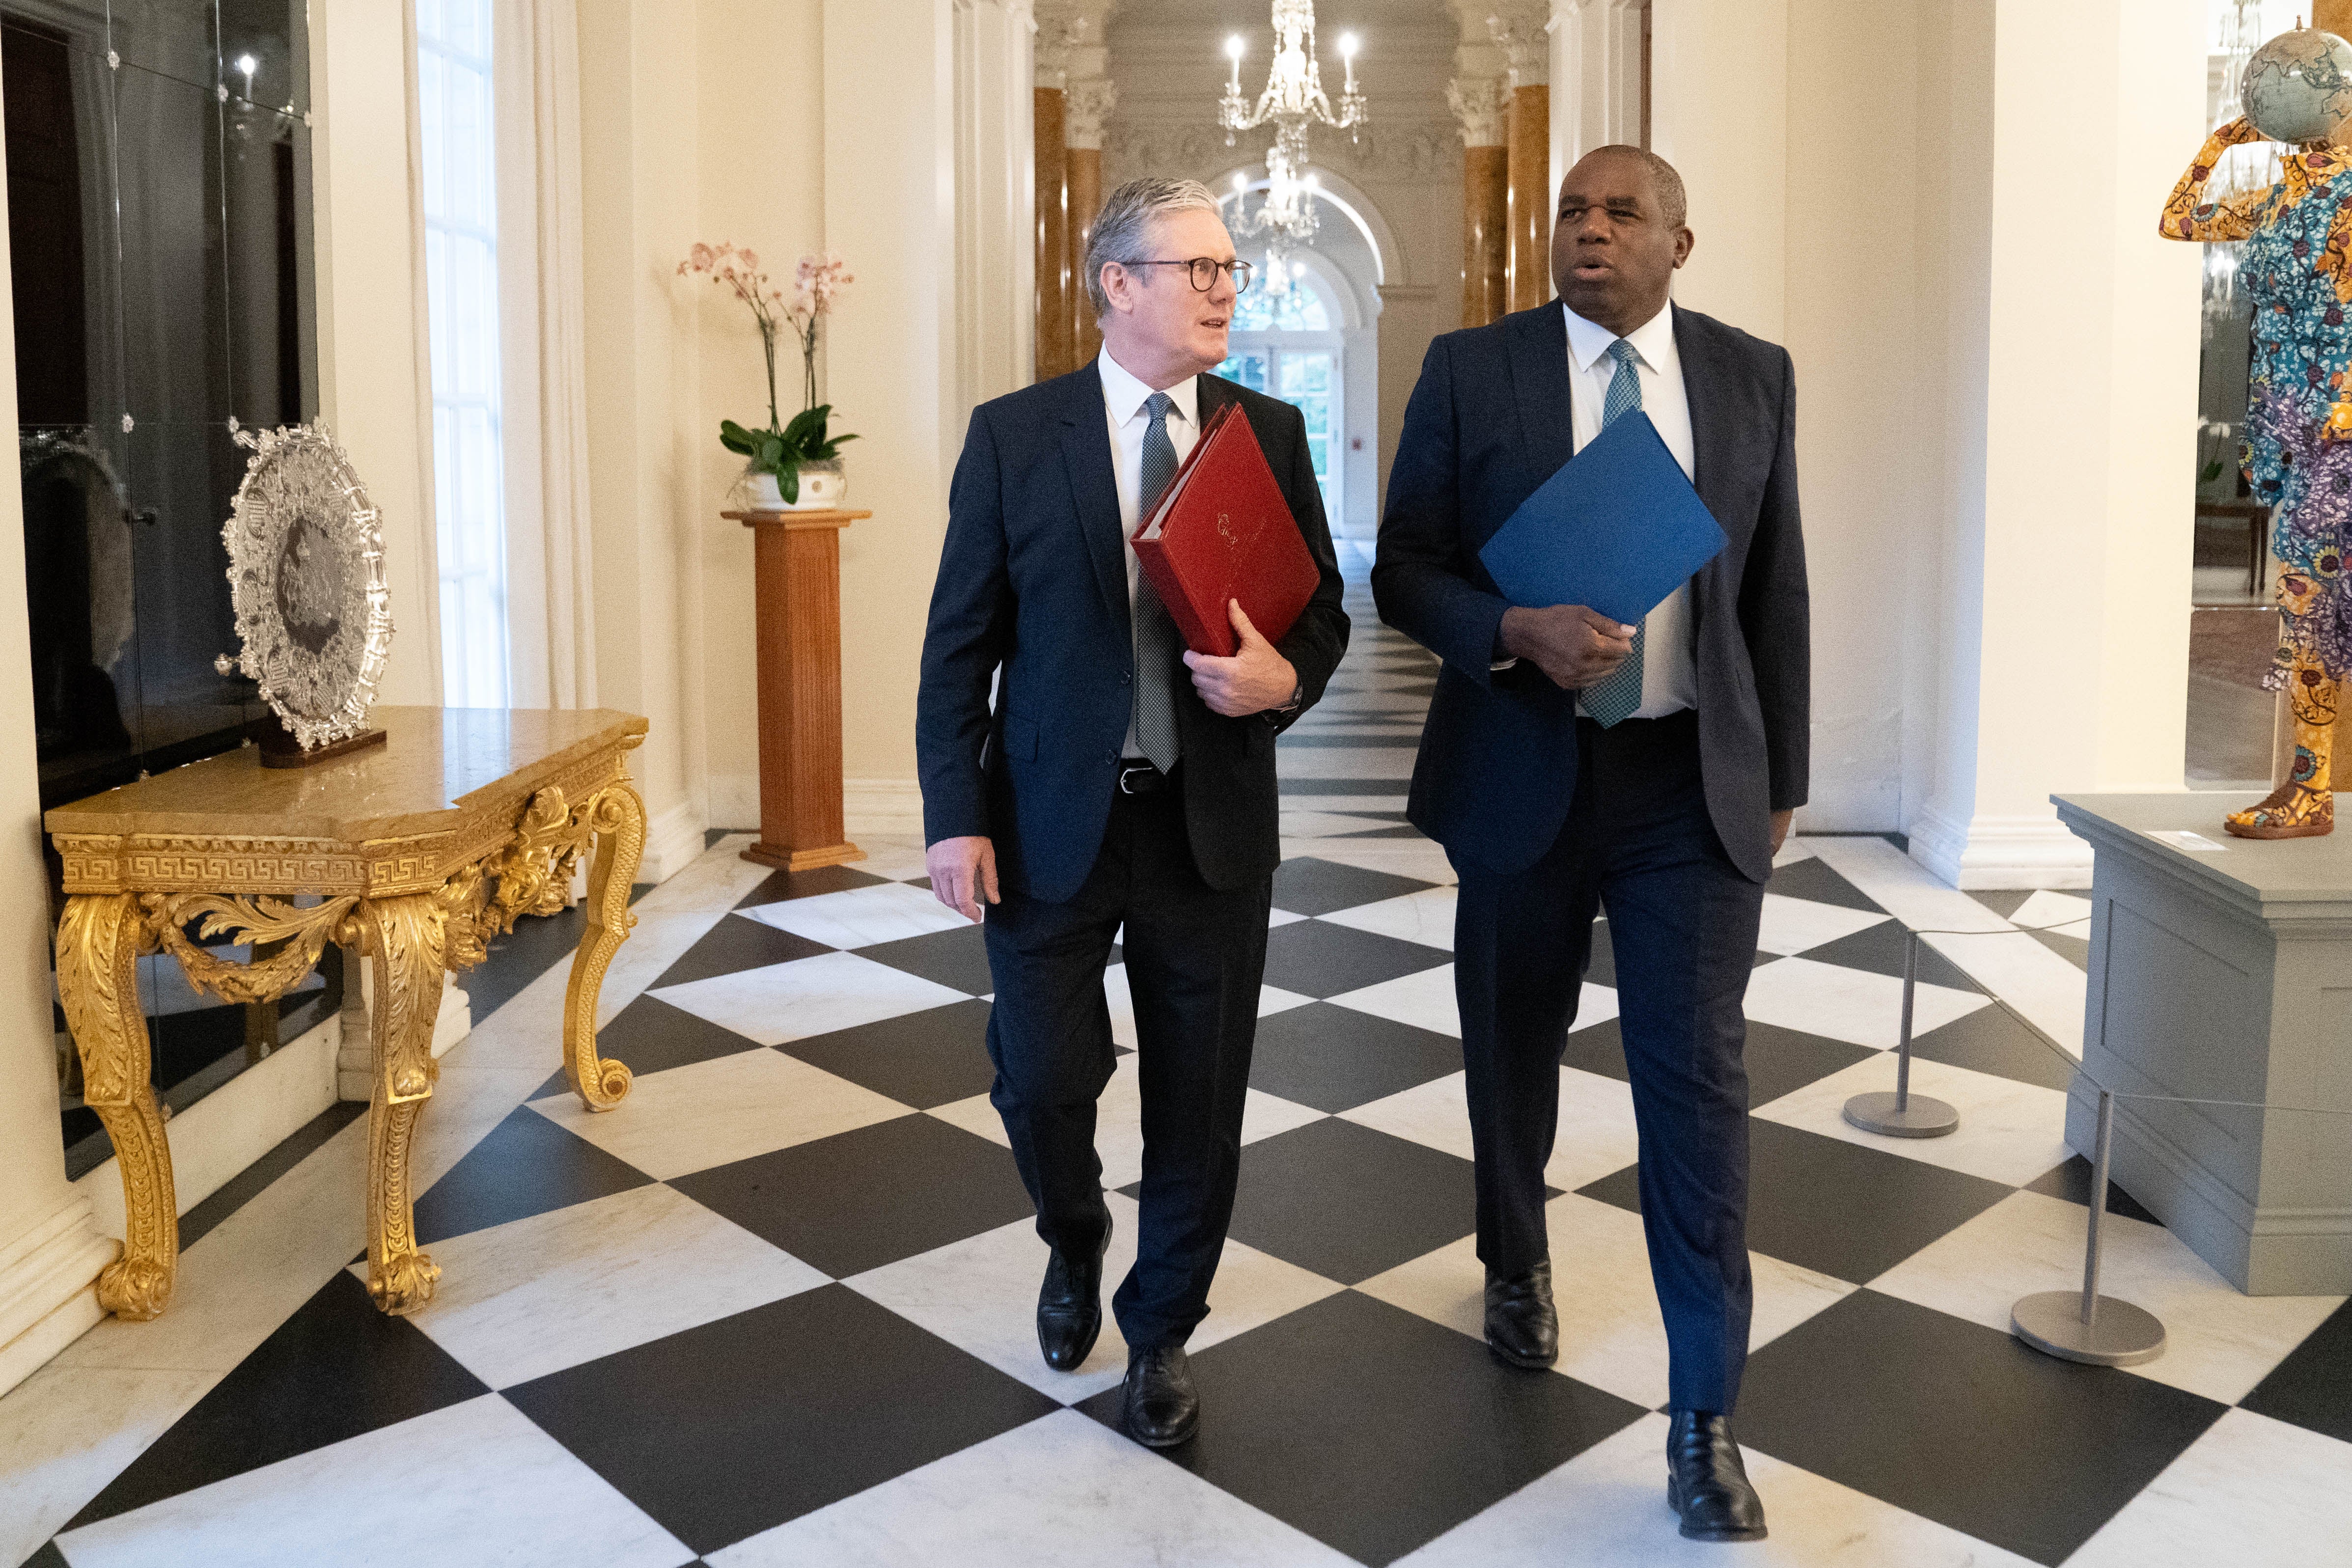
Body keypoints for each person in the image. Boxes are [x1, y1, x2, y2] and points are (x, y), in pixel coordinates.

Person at [1374, 145, 1808, 1543]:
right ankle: (1515, 1253)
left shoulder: (1752, 376)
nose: (1591, 231)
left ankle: (1705, 1414)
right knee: (1511, 1044)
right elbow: (1405, 567)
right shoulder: (1473, 369)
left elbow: (1775, 583)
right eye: (1573, 211)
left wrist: (1784, 770)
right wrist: (1514, 632)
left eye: (1623, 213)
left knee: (1698, 1089)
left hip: (1690, 783)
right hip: (1525, 772)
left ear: (1684, 242)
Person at [916, 176, 1349, 1448]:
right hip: (1050, 819)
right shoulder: (1016, 434)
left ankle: (1160, 1330)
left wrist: (1288, 678)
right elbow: (958, 645)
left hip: (1208, 827)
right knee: (1042, 1079)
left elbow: (1315, 613)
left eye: (1230, 270)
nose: (1228, 287)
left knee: (1200, 1100)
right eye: (1199, 267)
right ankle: (1074, 1233)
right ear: (1119, 284)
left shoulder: (1267, 432)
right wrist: (954, 814)